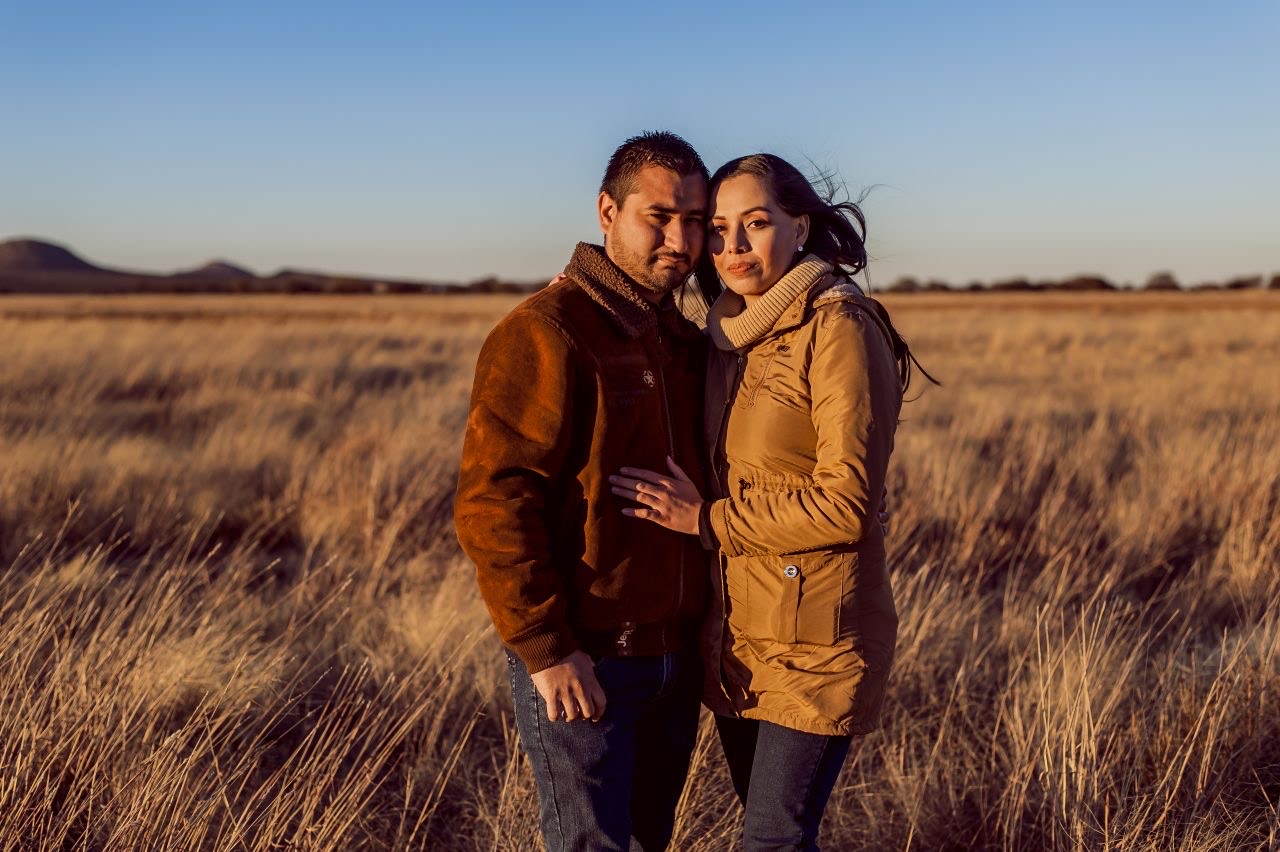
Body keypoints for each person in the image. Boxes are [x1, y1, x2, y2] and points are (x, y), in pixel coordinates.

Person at [609, 153, 930, 850]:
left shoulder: (839, 325)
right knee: (775, 833)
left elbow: (846, 505)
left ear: (800, 226)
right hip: (738, 637)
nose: (732, 247)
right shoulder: (727, 337)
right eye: (717, 229)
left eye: (756, 224)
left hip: (815, 639)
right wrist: (577, 304)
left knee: (772, 839)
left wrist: (705, 520)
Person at [453, 131, 712, 852]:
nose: (680, 238)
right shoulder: (547, 330)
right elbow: (494, 502)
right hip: (588, 660)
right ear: (607, 211)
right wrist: (544, 647)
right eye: (657, 216)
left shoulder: (679, 339)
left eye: (693, 219)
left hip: (673, 658)